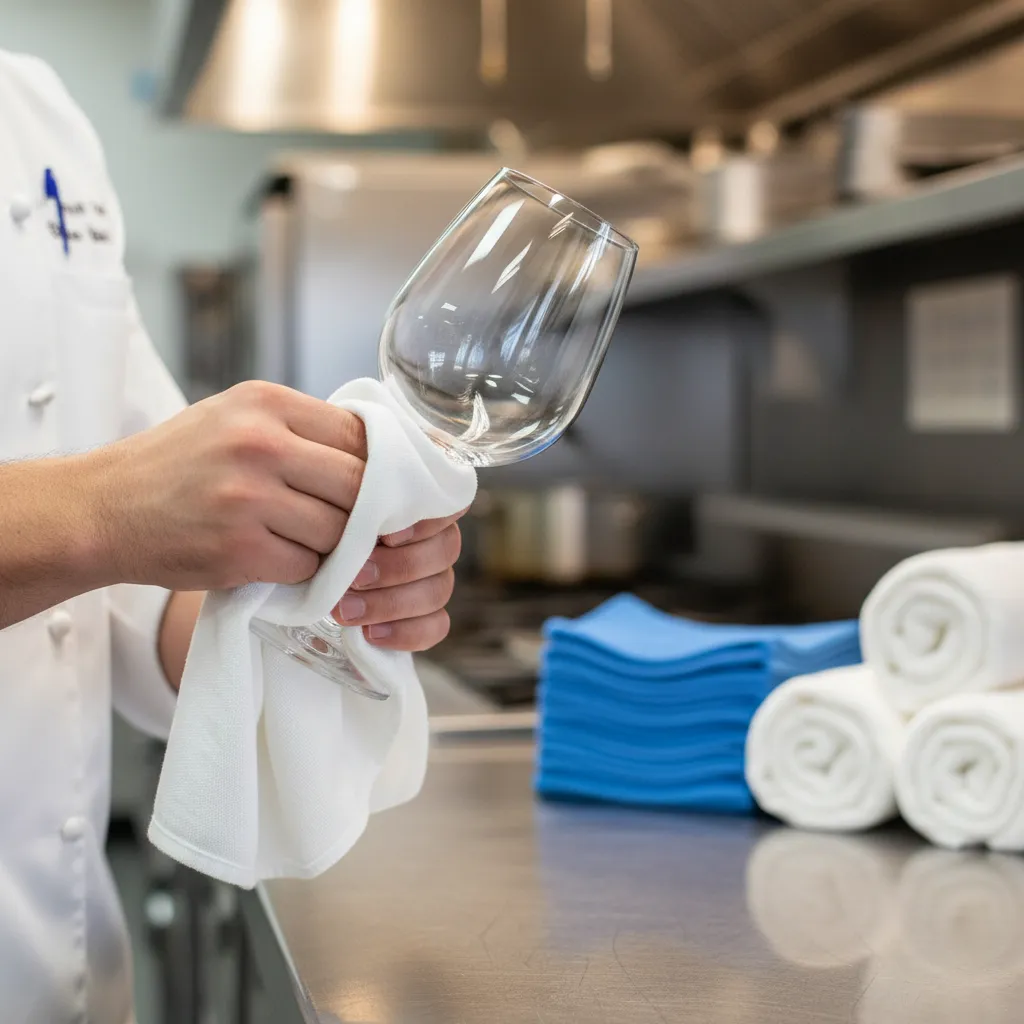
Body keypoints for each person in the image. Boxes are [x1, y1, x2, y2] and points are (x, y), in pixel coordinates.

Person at [0, 50, 463, 1023]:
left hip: (68, 972)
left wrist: (308, 572)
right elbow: (110, 507)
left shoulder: (44, 115)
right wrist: (105, 510)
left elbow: (138, 591)